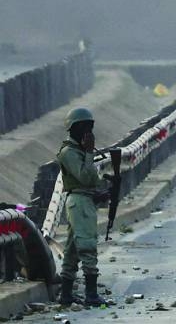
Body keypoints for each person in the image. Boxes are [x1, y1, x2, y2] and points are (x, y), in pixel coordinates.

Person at [58, 108, 109, 307]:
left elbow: (90, 181)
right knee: (87, 246)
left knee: (71, 250)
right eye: (85, 127)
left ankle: (66, 294)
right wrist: (89, 152)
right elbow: (84, 177)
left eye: (90, 127)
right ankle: (91, 294)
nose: (89, 132)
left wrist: (100, 193)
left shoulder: (77, 150)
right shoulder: (69, 152)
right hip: (79, 203)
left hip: (83, 200)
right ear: (75, 128)